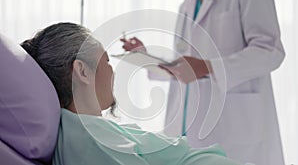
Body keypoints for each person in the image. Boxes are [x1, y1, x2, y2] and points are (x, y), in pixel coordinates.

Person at [21, 22, 241, 165]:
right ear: (82, 71)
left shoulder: (89, 131)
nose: (112, 70)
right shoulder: (90, 141)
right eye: (106, 61)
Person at [121, 0, 285, 164]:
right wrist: (149, 57)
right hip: (187, 124)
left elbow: (271, 51)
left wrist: (209, 67)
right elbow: (187, 64)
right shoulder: (188, 3)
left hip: (232, 122)